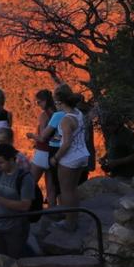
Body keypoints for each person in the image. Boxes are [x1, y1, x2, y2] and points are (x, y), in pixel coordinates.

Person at [0, 143, 37, 258]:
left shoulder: (25, 178)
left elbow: (25, 205)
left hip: (16, 228)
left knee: (15, 259)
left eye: (1, 162)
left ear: (12, 160)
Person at [51, 84, 90, 232]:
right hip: (82, 155)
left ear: (61, 102)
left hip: (69, 158)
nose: (55, 105)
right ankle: (73, 219)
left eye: (55, 102)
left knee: (66, 191)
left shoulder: (66, 120)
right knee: (73, 190)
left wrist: (55, 157)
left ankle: (69, 223)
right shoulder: (78, 113)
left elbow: (66, 143)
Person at [27, 89, 59, 208]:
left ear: (45, 101)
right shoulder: (57, 113)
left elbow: (41, 137)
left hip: (42, 153)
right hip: (53, 154)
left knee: (29, 184)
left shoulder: (44, 115)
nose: (38, 104)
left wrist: (31, 136)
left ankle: (24, 209)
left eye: (39, 102)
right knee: (51, 188)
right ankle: (51, 213)